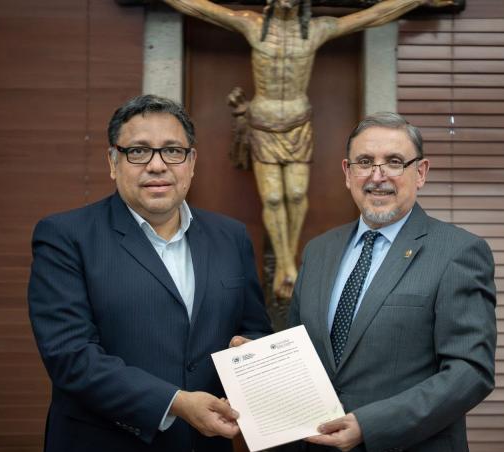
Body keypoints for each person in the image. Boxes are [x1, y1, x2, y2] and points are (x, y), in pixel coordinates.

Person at [27, 94, 272, 452]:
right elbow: (70, 358)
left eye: (172, 151)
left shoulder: (230, 237)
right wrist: (175, 403)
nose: (157, 165)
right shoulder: (66, 237)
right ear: (113, 162)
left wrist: (252, 357)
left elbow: (253, 328)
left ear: (191, 163)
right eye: (138, 151)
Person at [272, 112, 497, 452]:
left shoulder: (457, 252)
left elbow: (469, 372)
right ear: (347, 172)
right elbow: (300, 368)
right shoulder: (319, 251)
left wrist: (369, 425)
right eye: (364, 162)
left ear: (421, 172)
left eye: (394, 162)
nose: (378, 176)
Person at [161, 0, 451, 300]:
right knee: (274, 197)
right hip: (264, 124)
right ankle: (287, 264)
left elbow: (373, 15)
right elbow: (199, 9)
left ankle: (288, 264)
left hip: (298, 124)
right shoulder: (252, 25)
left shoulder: (316, 30)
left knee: (297, 194)